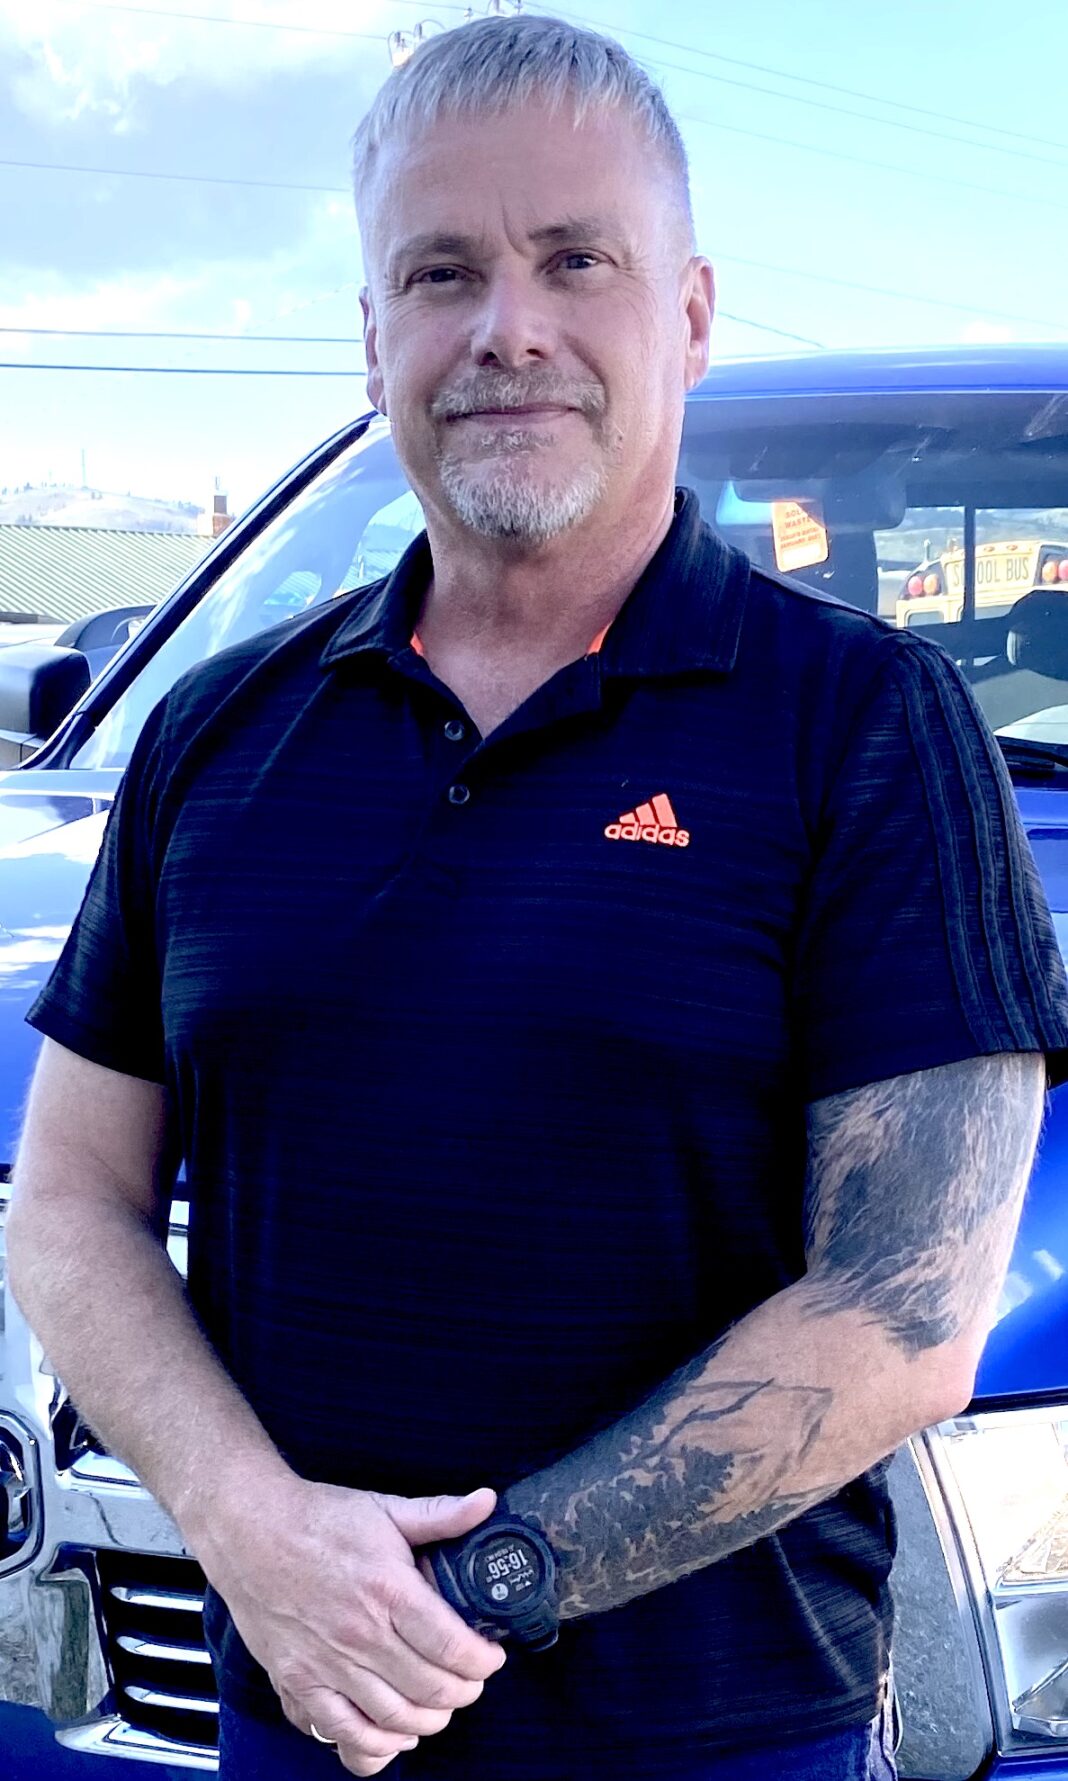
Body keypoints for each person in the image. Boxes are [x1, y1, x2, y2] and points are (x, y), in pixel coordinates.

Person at [9, 14, 1068, 1781]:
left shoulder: (870, 732)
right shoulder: (214, 735)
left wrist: (476, 1587)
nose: (509, 327)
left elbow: (907, 1305)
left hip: (715, 1740)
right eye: (441, 271)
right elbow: (66, 1202)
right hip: (286, 1715)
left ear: (690, 314)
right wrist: (253, 1530)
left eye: (578, 259)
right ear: (374, 336)